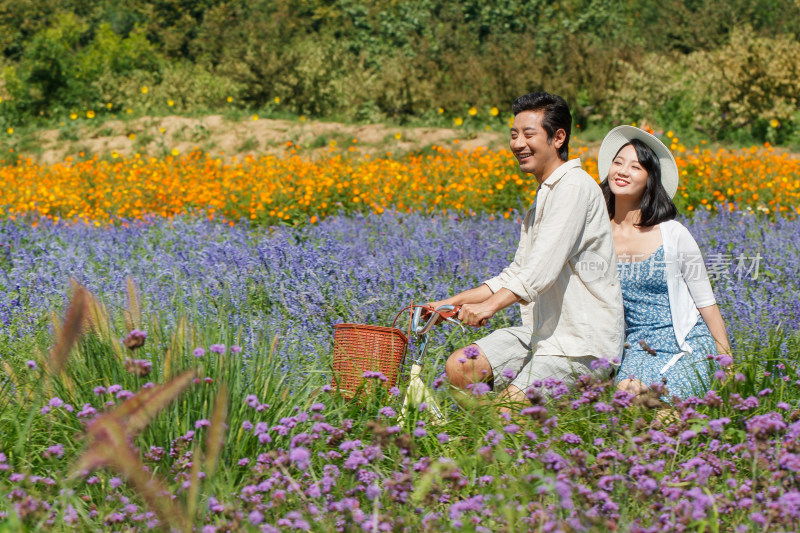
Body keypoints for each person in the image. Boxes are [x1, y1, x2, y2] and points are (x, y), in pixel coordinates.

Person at [429, 92, 625, 407]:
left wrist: (489, 308)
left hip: (581, 344)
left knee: (509, 411)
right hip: (541, 334)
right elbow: (518, 272)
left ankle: (496, 438)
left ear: (558, 137)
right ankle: (484, 440)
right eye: (514, 134)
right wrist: (448, 304)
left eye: (528, 134)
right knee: (461, 367)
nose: (518, 143)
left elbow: (538, 272)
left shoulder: (573, 188)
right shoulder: (545, 195)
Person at [597, 125, 731, 401]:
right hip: (636, 350)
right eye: (618, 163)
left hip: (686, 345)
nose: (622, 171)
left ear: (650, 179)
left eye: (635, 167)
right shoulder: (595, 237)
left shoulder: (673, 234)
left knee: (663, 410)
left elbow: (705, 301)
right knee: (627, 399)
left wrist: (726, 360)